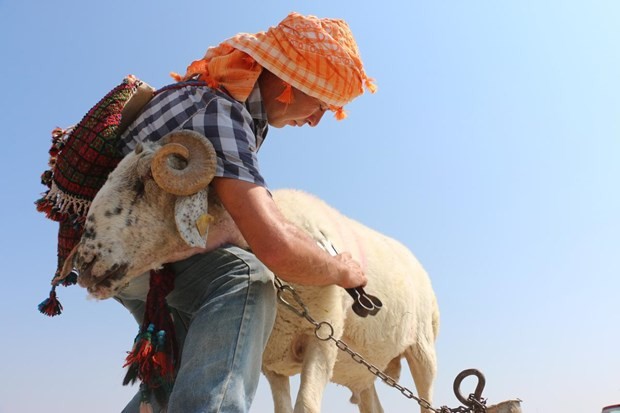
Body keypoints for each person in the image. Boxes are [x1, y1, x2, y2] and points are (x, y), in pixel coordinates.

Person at [116, 11, 376, 413]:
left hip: (128, 248)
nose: (315, 121)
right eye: (320, 104)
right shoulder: (222, 113)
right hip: (136, 246)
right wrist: (341, 270)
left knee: (177, 376)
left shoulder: (230, 108)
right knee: (247, 276)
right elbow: (275, 246)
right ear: (292, 80)